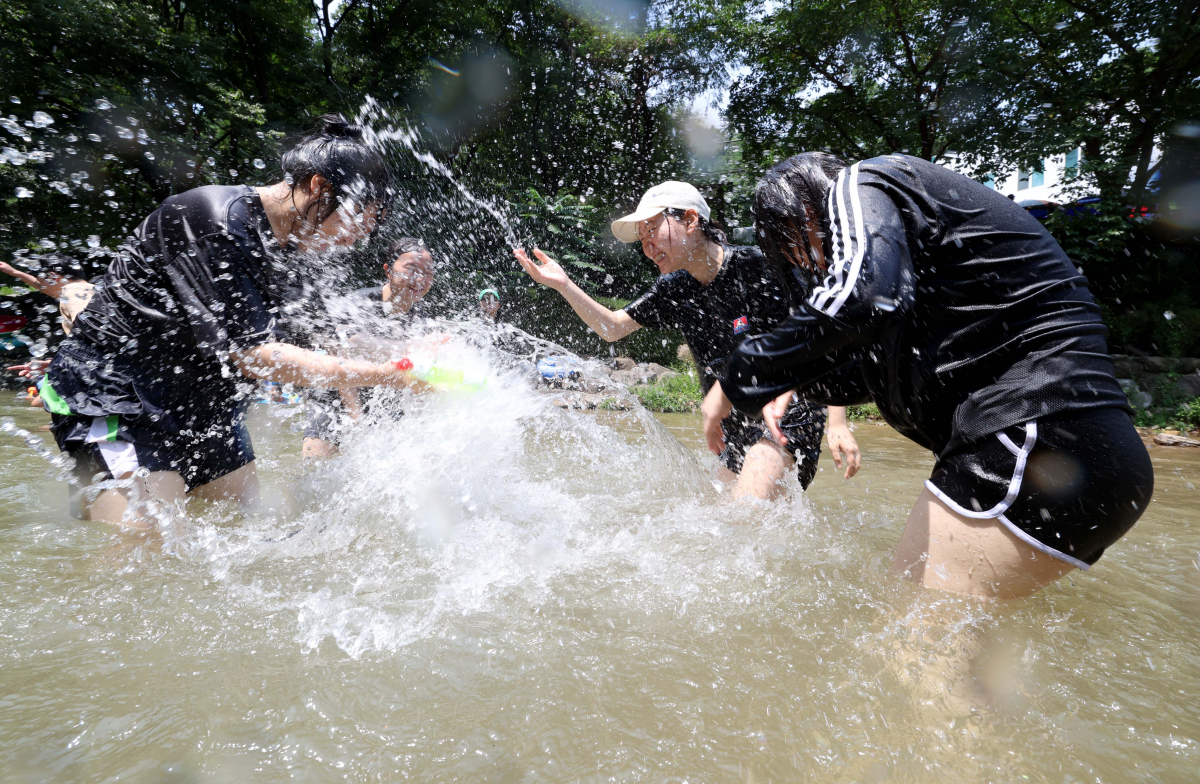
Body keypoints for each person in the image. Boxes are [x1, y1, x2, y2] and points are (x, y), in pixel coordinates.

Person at [702, 152, 1152, 599]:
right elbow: (873, 372)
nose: (807, 262)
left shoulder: (864, 180)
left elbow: (864, 296)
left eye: (795, 243)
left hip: (1036, 434)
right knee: (929, 625)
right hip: (1084, 452)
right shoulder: (923, 269)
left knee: (914, 629)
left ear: (805, 206)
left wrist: (744, 372)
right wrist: (796, 380)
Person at [39, 114, 430, 528]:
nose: (356, 237)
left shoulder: (301, 249)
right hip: (118, 392)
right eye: (356, 218)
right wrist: (391, 376)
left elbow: (329, 341)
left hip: (206, 401)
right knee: (148, 539)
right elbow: (254, 355)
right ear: (318, 186)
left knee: (243, 528)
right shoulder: (215, 222)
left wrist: (414, 355)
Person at [515, 181, 860, 501]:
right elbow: (612, 327)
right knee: (712, 525)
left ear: (691, 220)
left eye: (652, 230)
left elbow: (826, 334)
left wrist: (838, 423)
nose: (647, 247)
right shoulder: (674, 289)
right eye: (642, 237)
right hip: (734, 433)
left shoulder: (761, 267)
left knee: (744, 515)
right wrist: (563, 284)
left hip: (787, 421)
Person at [302, 236, 435, 457]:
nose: (420, 278)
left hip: (382, 399)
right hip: (335, 397)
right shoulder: (359, 304)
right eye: (411, 269)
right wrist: (358, 424)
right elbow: (346, 359)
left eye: (428, 272)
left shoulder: (422, 319)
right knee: (316, 471)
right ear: (388, 270)